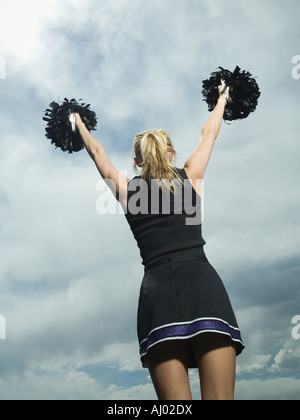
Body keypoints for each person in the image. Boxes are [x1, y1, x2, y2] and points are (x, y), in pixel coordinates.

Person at [74, 85, 244, 400]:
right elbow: (209, 134)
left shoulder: (128, 190)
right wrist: (223, 97)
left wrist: (76, 120)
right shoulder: (190, 176)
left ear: (136, 160)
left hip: (158, 295)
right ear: (172, 153)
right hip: (203, 287)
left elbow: (97, 153)